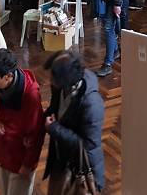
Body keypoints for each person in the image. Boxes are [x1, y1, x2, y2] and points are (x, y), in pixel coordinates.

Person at [0, 49, 44, 195]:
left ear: (8, 76)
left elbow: (36, 134)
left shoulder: (30, 95)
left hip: (21, 160)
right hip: (4, 154)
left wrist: (28, 165)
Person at [43, 51, 105, 193]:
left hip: (81, 169)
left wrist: (53, 128)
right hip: (62, 159)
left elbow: (87, 145)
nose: (49, 79)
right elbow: (55, 108)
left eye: (53, 76)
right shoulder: (60, 86)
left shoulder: (92, 104)